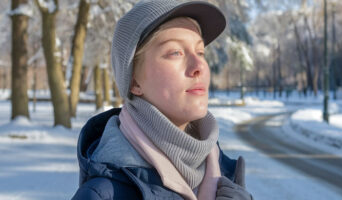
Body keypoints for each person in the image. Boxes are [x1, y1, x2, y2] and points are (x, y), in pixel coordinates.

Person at [72, 0, 253, 199]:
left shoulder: (225, 176)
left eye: (200, 52)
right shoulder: (103, 194)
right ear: (134, 82)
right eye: (175, 52)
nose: (198, 65)